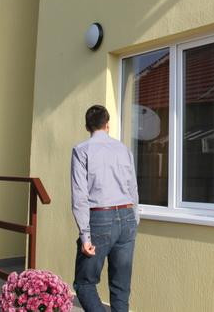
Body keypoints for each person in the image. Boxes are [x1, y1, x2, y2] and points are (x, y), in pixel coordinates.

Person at [71, 105, 139, 312]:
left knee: (84, 283)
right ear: (107, 124)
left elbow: (80, 196)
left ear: (87, 126)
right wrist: (134, 220)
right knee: (121, 287)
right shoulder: (123, 149)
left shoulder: (81, 150)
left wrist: (85, 236)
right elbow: (133, 188)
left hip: (100, 218)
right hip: (127, 217)